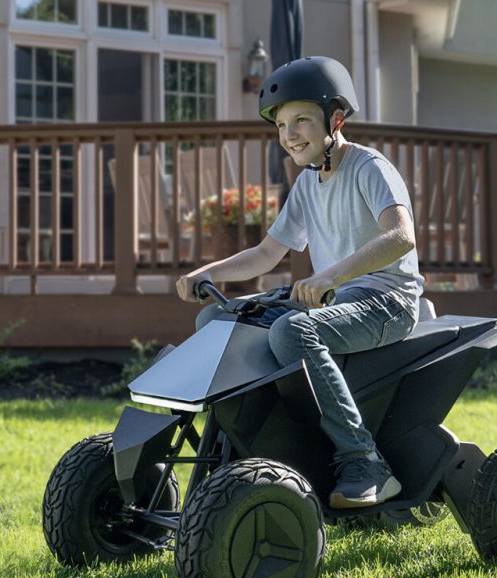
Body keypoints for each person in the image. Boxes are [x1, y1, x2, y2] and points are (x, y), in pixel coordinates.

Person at [175, 56, 423, 509]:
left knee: (292, 330)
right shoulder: (309, 184)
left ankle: (366, 461)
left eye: (302, 120)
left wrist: (330, 274)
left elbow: (402, 236)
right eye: (282, 125)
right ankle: (234, 452)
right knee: (218, 317)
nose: (290, 135)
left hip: (388, 301)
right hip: (336, 298)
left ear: (336, 119)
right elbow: (267, 253)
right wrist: (210, 273)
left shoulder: (369, 167)